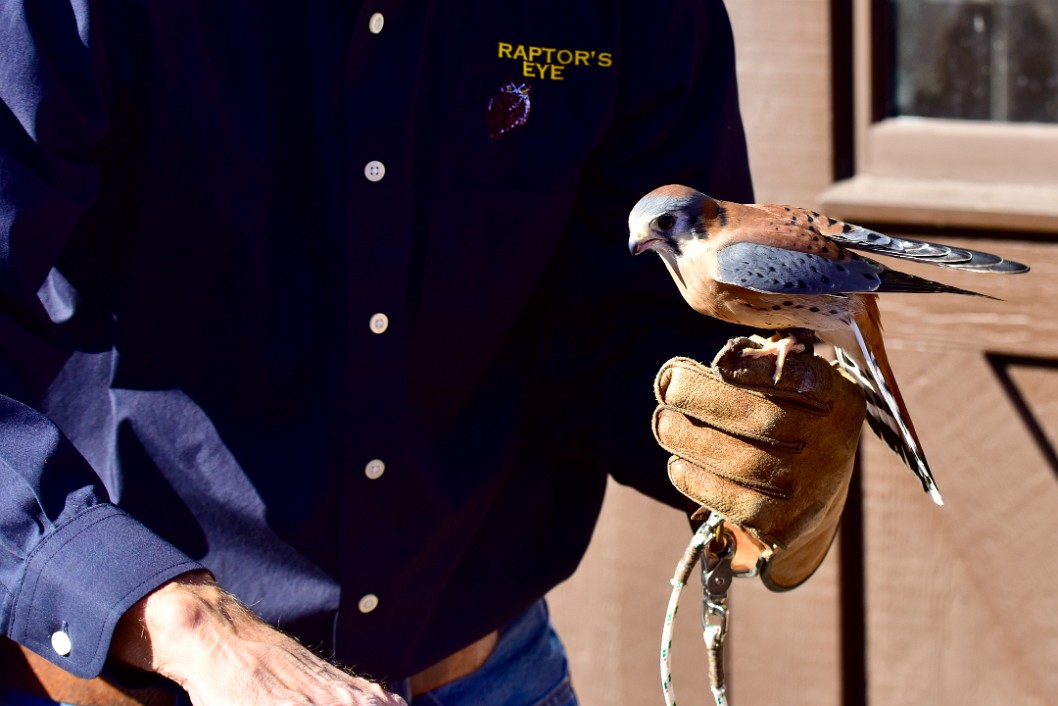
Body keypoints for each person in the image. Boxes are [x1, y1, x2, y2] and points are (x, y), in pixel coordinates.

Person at [0, 0, 754, 703]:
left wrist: (746, 442)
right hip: (138, 680)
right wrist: (180, 621)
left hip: (493, 676)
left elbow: (625, 323)